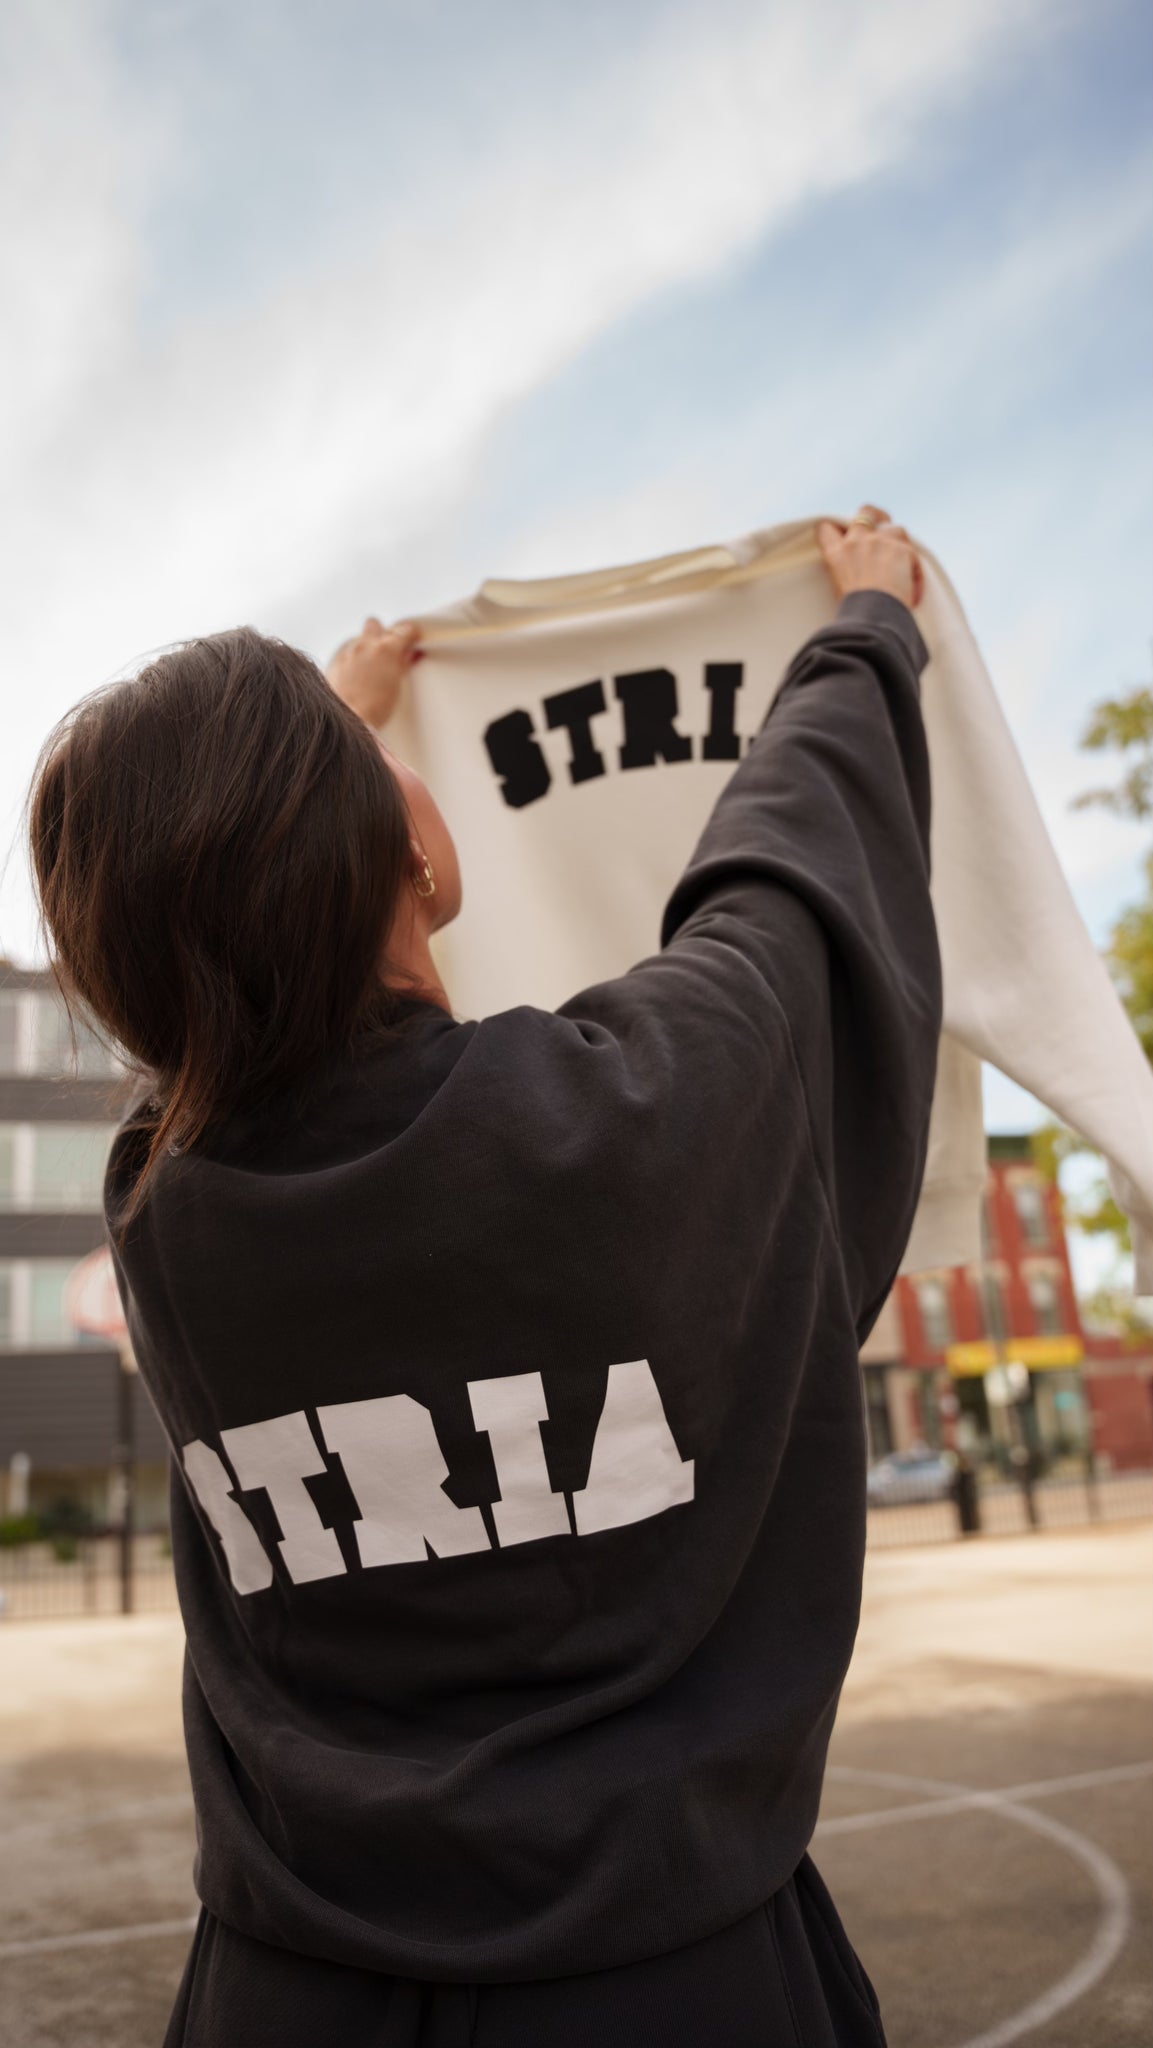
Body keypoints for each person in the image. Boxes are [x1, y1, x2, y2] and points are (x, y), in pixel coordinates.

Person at [26, 506, 938, 2046]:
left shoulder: (167, 1215)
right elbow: (787, 868)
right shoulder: (648, 1105)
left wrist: (333, 717)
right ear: (397, 842)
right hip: (670, 1986)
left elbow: (213, 986)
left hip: (277, 1987)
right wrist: (861, 634)